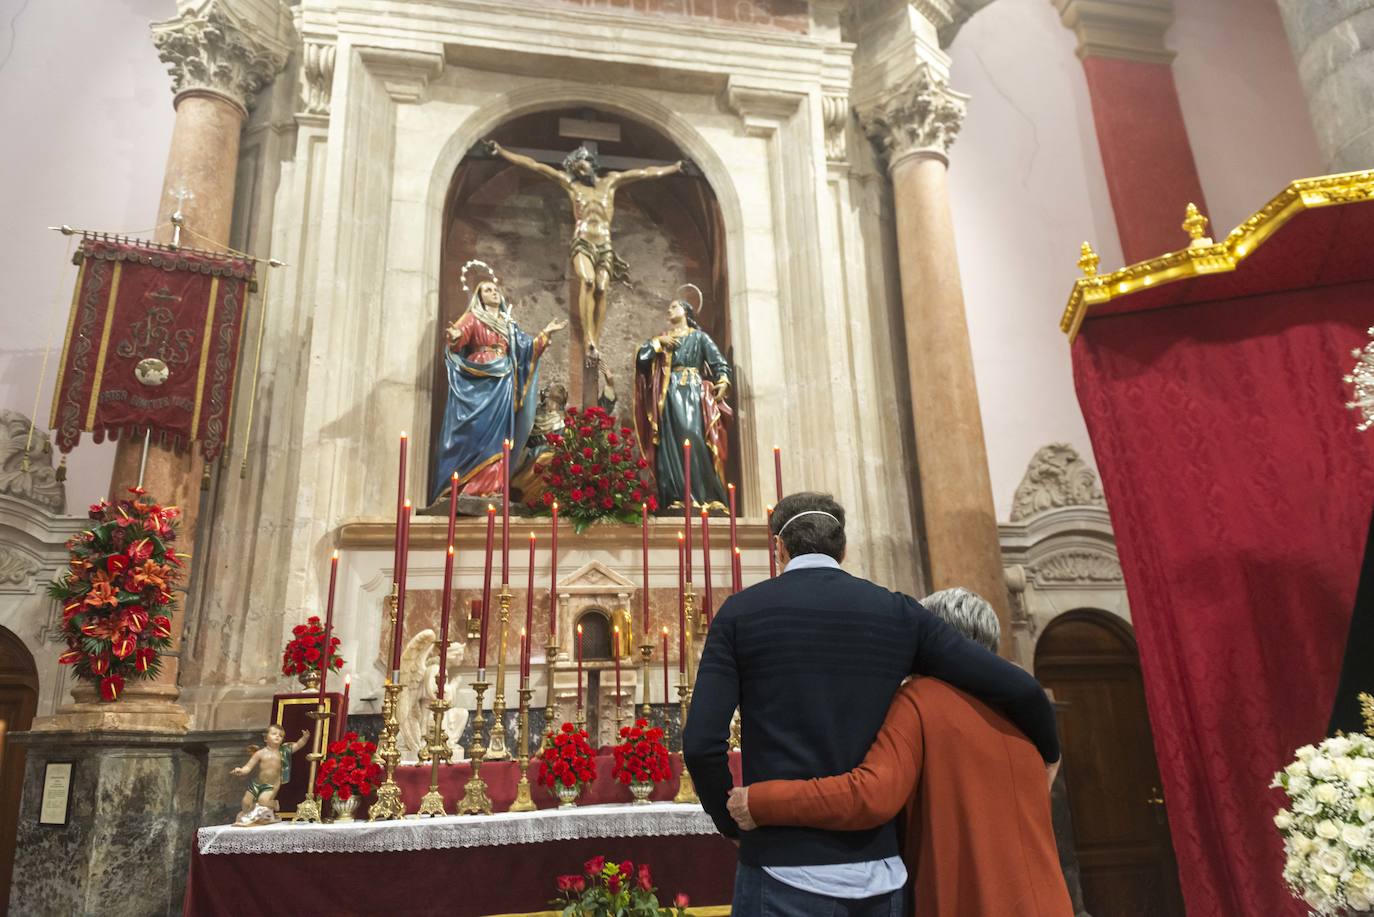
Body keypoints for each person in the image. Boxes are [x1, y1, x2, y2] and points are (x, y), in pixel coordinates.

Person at [682, 493, 1060, 916]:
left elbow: (700, 744)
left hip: (780, 863)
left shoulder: (739, 614)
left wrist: (731, 821)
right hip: (879, 870)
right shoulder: (898, 613)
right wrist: (1049, 753)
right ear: (843, 549)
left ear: (780, 549)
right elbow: (1020, 688)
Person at [726, 587, 1074, 917]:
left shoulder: (921, 701)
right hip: (1046, 899)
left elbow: (870, 795)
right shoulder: (1023, 713)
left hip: (972, 899)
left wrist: (761, 801)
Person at [430, 275, 567, 506]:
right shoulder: (473, 317)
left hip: (503, 382)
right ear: (479, 297)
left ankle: (493, 488)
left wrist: (546, 334)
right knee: (476, 429)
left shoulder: (508, 324)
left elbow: (526, 350)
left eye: (495, 289)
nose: (493, 292)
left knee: (500, 437)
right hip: (478, 380)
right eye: (487, 290)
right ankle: (467, 486)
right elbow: (458, 338)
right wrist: (455, 337)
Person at [633, 296, 732, 512]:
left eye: (674, 306)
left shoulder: (698, 337)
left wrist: (723, 379)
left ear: (686, 311)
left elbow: (718, 362)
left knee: (693, 436)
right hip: (667, 395)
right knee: (671, 443)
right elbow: (642, 359)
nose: (669, 310)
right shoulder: (663, 338)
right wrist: (658, 343)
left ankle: (706, 496)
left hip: (692, 391)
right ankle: (678, 497)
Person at [232, 723, 311, 827]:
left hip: (272, 785)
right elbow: (248, 767)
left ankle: (274, 805)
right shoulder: (260, 753)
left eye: (281, 735)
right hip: (256, 783)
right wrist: (241, 770)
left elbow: (298, 745)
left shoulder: (284, 751)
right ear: (266, 738)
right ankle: (252, 816)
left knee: (263, 800)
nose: (278, 736)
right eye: (274, 734)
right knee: (245, 802)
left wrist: (304, 738)